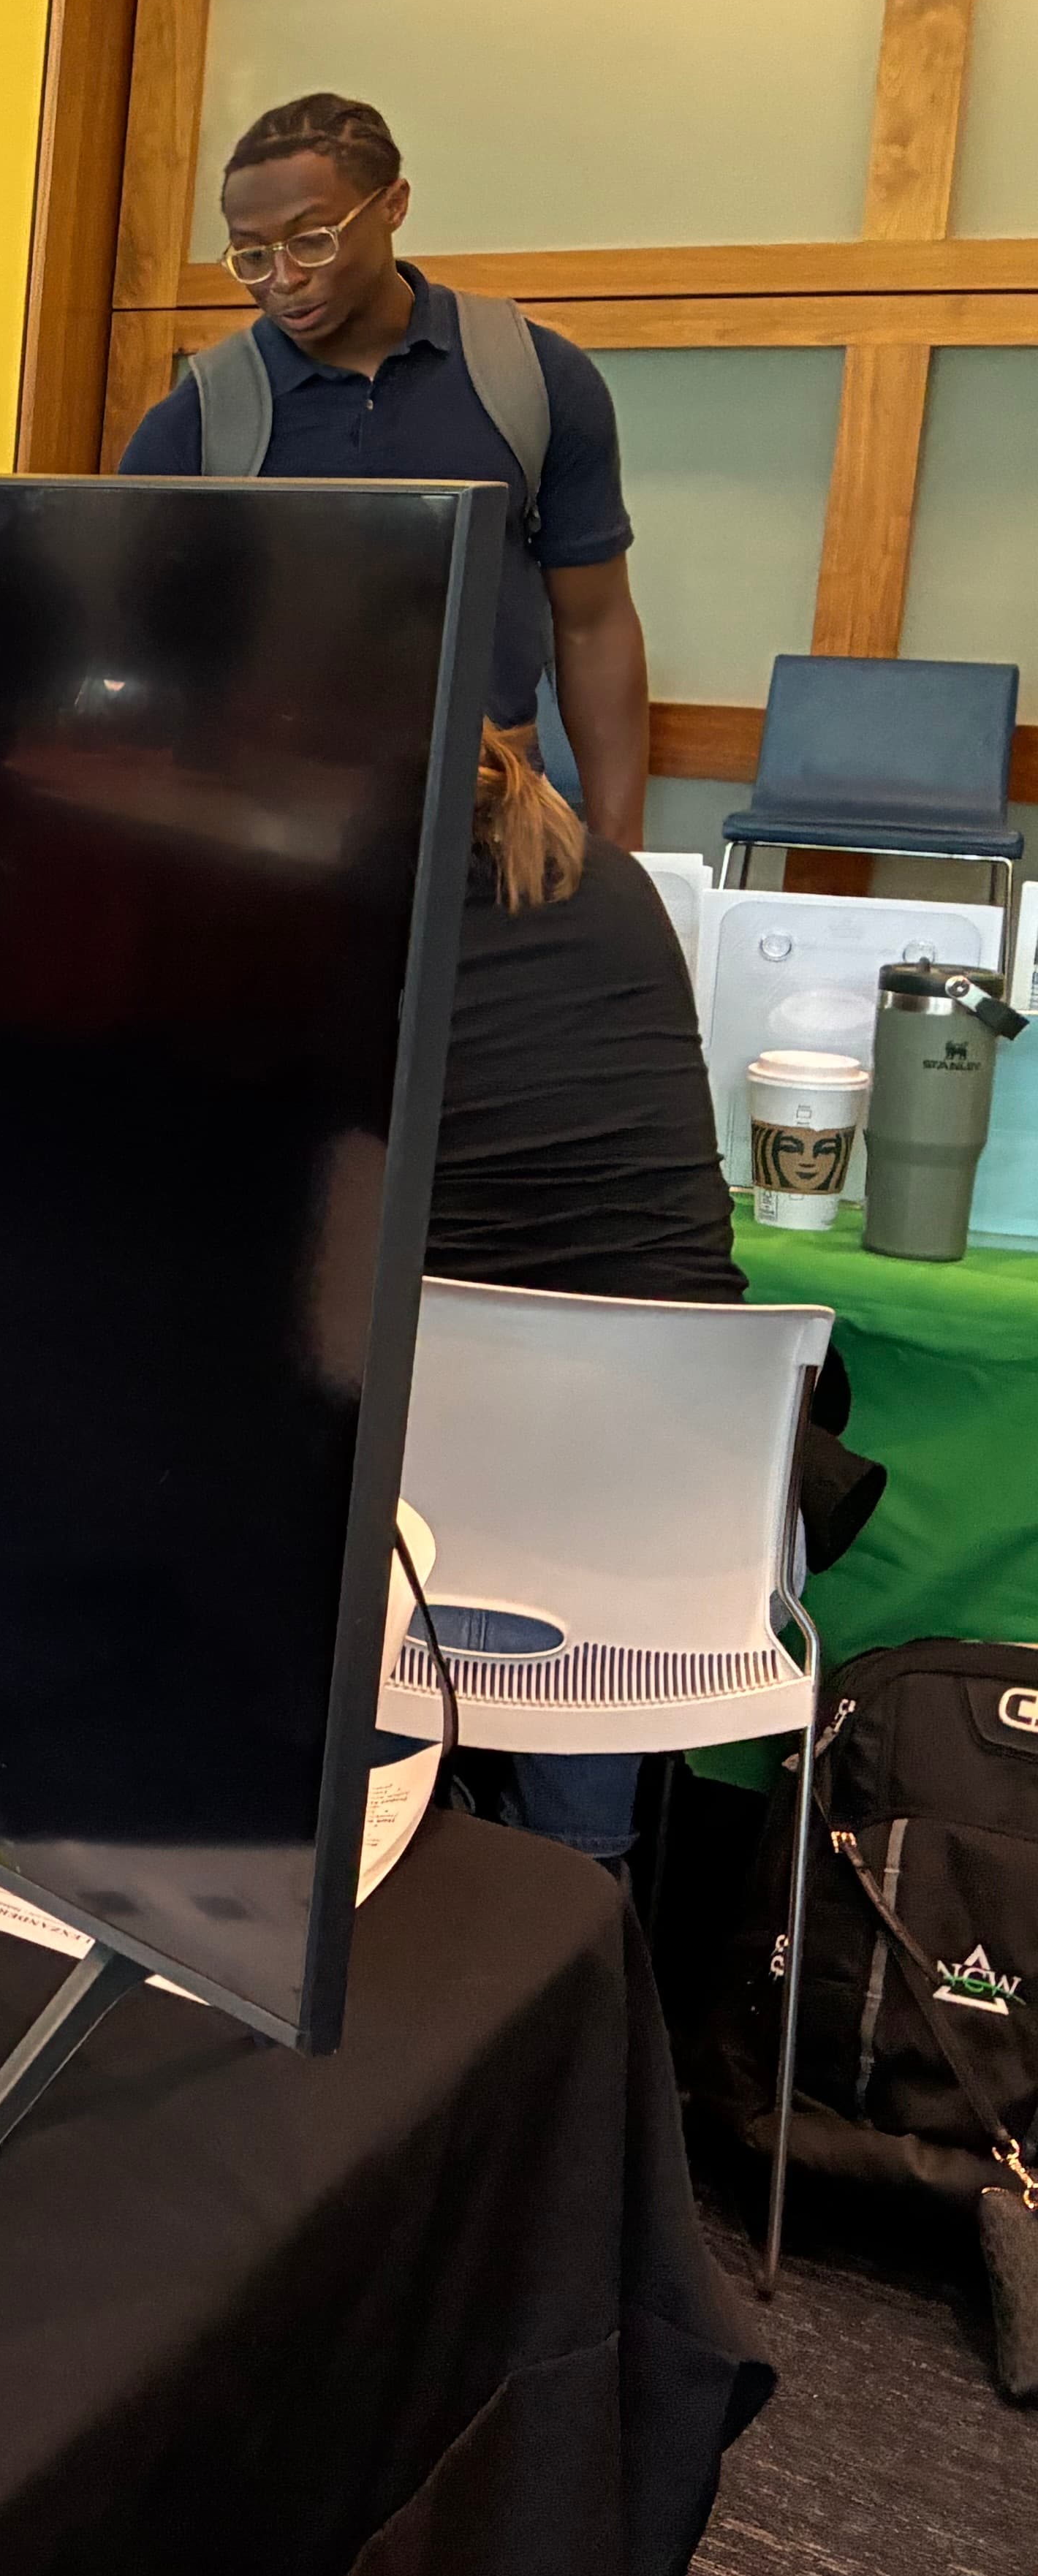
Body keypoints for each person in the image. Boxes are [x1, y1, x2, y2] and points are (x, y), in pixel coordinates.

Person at [423, 723, 881, 1865]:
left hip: (424, 1541)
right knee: (567, 1462)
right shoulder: (616, 887)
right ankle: (581, 1896)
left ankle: (382, 1850)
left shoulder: (346, 924)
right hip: (679, 1528)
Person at [118, 94, 653, 846]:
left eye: (312, 242)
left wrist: (621, 851)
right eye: (252, 253)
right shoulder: (200, 419)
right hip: (259, 827)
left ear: (394, 205)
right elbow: (132, 648)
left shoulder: (534, 376)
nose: (283, 279)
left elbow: (595, 624)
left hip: (488, 818)